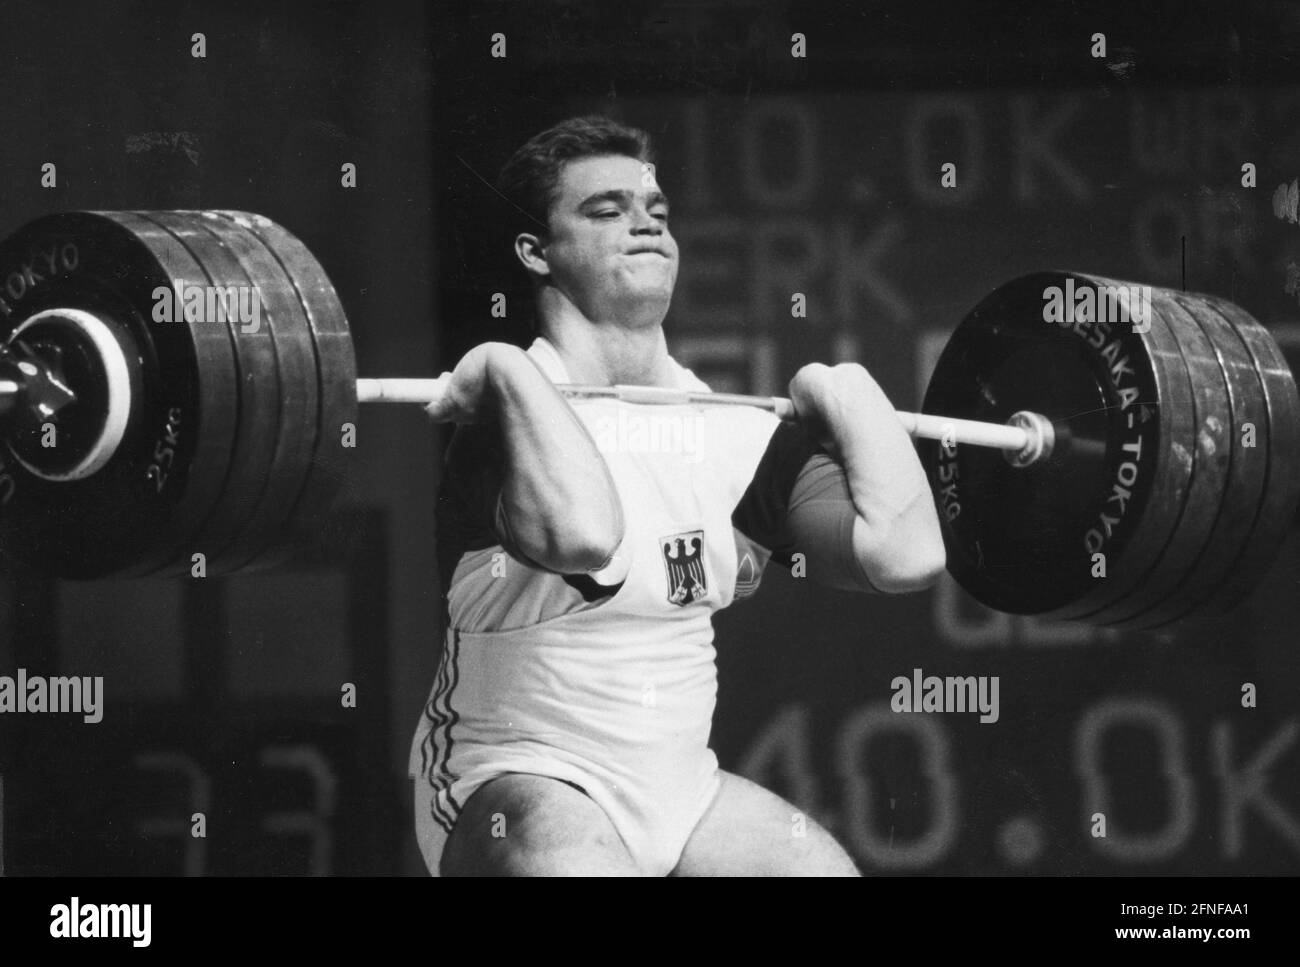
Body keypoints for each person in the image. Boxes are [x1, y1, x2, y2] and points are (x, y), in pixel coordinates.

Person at [410, 116, 946, 875]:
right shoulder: (506, 418)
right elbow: (585, 538)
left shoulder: (731, 435)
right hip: (516, 779)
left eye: (656, 213)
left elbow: (907, 552)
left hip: (684, 794)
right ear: (536, 252)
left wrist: (847, 389)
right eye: (606, 210)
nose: (645, 226)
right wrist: (505, 363)